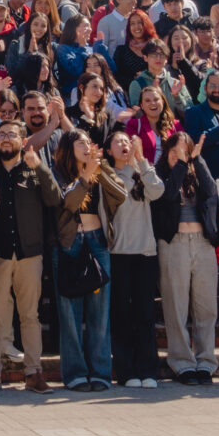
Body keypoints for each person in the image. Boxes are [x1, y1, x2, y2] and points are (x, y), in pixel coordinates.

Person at [0, 117, 57, 392]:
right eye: (1, 134)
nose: (5, 138)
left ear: (23, 141)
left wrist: (42, 170)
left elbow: (55, 199)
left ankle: (34, 372)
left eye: (11, 134)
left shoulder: (34, 168)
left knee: (30, 315)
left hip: (30, 254)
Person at [54, 130, 123, 391]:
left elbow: (121, 194)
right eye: (79, 142)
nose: (85, 146)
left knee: (99, 312)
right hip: (70, 244)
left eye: (87, 141)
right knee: (70, 314)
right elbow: (69, 203)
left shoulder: (100, 169)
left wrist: (99, 168)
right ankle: (74, 374)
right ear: (68, 148)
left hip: (97, 242)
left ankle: (100, 373)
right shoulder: (59, 172)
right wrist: (84, 175)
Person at [152, 127, 219, 384]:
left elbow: (212, 192)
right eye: (175, 149)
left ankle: (206, 362)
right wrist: (181, 164)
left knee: (206, 307)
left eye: (185, 149)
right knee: (176, 306)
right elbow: (167, 195)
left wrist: (198, 161)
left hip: (202, 243)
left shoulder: (197, 172)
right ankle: (182, 363)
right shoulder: (159, 175)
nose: (180, 153)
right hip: (174, 243)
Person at [104, 126, 166, 387]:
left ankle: (148, 370)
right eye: (117, 142)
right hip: (117, 252)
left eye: (126, 141)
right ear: (108, 150)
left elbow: (158, 191)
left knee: (145, 313)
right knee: (122, 314)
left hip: (145, 252)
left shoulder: (142, 171)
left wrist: (141, 160)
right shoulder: (105, 176)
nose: (124, 145)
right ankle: (126, 371)